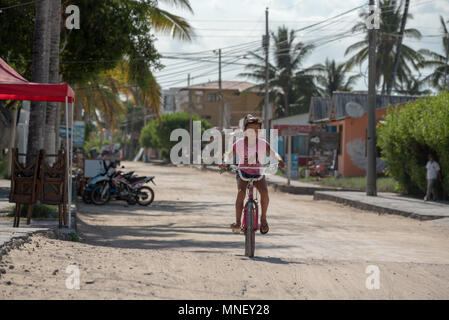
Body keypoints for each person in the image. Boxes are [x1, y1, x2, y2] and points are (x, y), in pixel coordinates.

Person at [220, 114, 285, 235]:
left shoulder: (262, 143)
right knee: (241, 193)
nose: (253, 132)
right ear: (244, 130)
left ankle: (263, 219)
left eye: (256, 130)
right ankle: (238, 222)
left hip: (258, 173)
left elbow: (273, 153)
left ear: (259, 131)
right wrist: (224, 162)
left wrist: (279, 159)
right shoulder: (239, 143)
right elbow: (228, 155)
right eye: (250, 130)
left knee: (264, 192)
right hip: (243, 172)